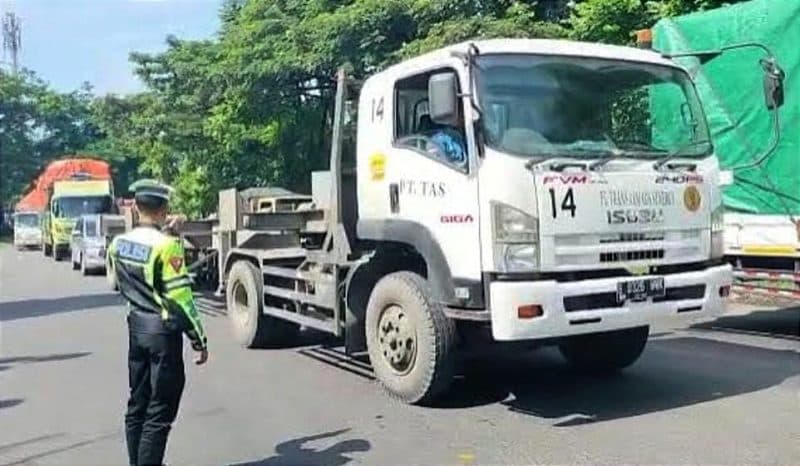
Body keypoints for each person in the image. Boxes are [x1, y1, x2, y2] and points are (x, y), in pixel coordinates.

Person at [109, 179, 208, 466]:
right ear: (164, 209)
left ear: (136, 208)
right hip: (163, 333)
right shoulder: (168, 247)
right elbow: (181, 300)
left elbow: (115, 280)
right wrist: (199, 339)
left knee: (137, 404)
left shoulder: (118, 244)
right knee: (160, 408)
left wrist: (166, 234)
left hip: (136, 327)